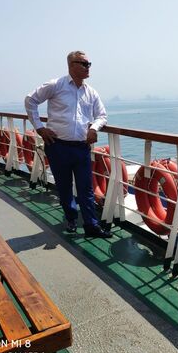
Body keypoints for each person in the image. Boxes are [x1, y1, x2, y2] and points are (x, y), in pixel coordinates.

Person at [25, 50, 112, 238]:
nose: (88, 67)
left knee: (86, 188)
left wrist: (94, 128)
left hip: (81, 147)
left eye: (89, 64)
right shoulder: (56, 85)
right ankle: (71, 218)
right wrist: (39, 128)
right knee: (64, 186)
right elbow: (30, 100)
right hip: (58, 146)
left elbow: (102, 115)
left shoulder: (91, 92)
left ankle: (91, 225)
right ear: (72, 65)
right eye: (84, 64)